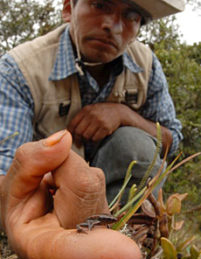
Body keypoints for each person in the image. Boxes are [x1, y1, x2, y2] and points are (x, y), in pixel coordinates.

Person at [0, 0, 184, 232]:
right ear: (69, 9)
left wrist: (124, 114)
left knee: (134, 145)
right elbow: (6, 170)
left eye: (131, 16)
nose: (114, 26)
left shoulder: (146, 66)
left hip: (120, 208)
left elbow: (172, 140)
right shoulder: (20, 69)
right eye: (100, 5)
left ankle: (131, 236)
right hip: (47, 203)